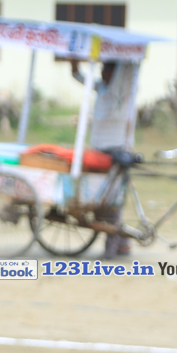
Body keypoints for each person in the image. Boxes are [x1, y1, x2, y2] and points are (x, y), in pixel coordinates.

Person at [71, 58, 141, 258]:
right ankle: (123, 244)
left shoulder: (124, 91)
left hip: (118, 152)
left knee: (112, 200)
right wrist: (73, 64)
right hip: (98, 151)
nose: (102, 73)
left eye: (106, 69)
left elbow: (130, 66)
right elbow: (78, 76)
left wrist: (126, 54)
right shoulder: (101, 88)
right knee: (101, 199)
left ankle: (111, 248)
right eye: (102, 69)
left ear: (115, 73)